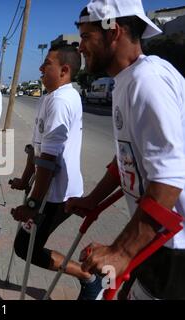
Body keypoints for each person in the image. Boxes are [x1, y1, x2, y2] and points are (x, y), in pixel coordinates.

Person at [67, 0, 185, 300]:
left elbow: (169, 177)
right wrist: (93, 200)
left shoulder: (148, 81)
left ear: (113, 31)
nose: (81, 47)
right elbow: (127, 157)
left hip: (175, 245)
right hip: (156, 235)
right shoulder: (126, 80)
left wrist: (120, 251)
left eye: (85, 36)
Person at [9, 44, 102, 300]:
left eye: (46, 63)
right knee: (25, 246)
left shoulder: (62, 101)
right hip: (44, 190)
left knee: (26, 247)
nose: (40, 68)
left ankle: (89, 277)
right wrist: (25, 179)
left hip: (57, 196)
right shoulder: (48, 97)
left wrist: (32, 203)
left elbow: (49, 161)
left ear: (64, 70)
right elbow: (36, 150)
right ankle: (87, 277)